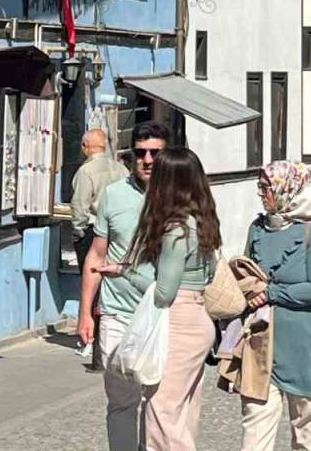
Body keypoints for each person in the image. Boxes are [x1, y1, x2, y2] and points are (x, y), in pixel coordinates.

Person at [95, 147, 219, 451]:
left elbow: (164, 292)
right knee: (183, 410)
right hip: (198, 317)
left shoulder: (176, 230)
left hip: (179, 321)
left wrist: (124, 272)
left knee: (161, 411)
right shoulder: (201, 221)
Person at [78, 121, 168, 451]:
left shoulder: (177, 196)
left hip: (162, 314)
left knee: (158, 401)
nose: (147, 160)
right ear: (131, 156)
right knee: (121, 400)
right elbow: (96, 254)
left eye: (155, 153)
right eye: (141, 153)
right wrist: (85, 313)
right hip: (117, 313)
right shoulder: (113, 195)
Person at [240, 161, 311, 451]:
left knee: (307, 427)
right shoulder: (257, 229)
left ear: (288, 189)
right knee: (255, 425)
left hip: (307, 345)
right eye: (260, 187)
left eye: (266, 187)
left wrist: (271, 293)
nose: (261, 193)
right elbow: (247, 273)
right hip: (263, 342)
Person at [70, 128, 129, 361]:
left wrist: (78, 231)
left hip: (94, 231)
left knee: (92, 281)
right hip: (120, 232)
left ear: (85, 147)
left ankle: (90, 336)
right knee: (115, 281)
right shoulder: (121, 169)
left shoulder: (86, 171)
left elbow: (79, 206)